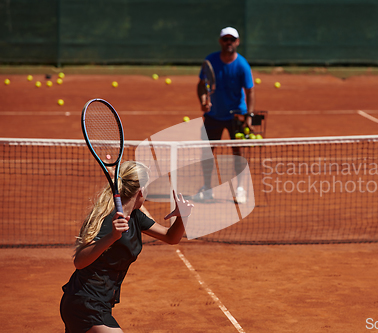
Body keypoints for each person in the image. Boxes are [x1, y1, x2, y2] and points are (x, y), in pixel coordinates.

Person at [60, 161, 193, 333]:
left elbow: (171, 237)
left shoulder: (135, 216)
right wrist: (111, 237)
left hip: (98, 302)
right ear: (141, 191)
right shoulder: (108, 219)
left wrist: (183, 216)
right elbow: (79, 261)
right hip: (85, 304)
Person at [195, 26, 255, 204]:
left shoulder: (242, 65)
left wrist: (249, 116)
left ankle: (241, 188)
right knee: (207, 152)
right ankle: (207, 188)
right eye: (225, 39)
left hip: (236, 115)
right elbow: (201, 85)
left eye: (232, 39)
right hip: (213, 115)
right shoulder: (211, 61)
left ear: (237, 42)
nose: (229, 42)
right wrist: (203, 100)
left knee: (238, 153)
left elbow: (250, 91)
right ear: (221, 41)